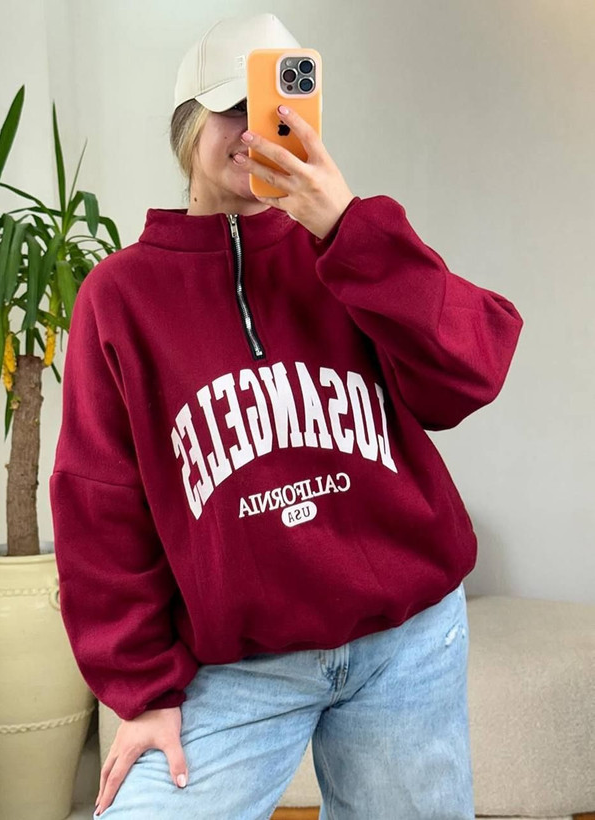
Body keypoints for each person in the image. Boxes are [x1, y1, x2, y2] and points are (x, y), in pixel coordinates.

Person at [49, 12, 524, 820]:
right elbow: (100, 508)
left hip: (406, 644)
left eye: (275, 105)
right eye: (231, 107)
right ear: (187, 125)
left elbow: (473, 369)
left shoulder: (353, 248)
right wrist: (143, 692)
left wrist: (347, 228)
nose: (252, 130)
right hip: (239, 669)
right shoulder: (119, 298)